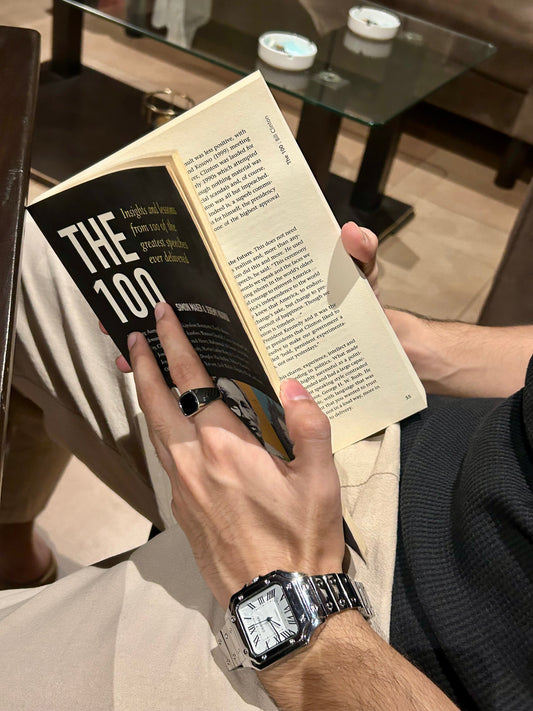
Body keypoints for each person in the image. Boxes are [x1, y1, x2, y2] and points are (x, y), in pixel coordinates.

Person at [0, 218, 530, 710]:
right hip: (403, 436)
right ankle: (14, 551)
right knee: (19, 250)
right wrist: (397, 343)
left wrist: (289, 605)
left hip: (366, 648)